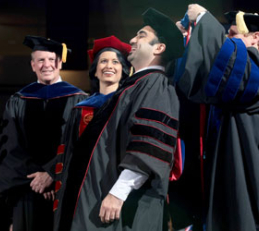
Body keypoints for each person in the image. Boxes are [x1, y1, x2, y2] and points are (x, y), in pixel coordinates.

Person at [53, 7, 184, 231]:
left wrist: (118, 192)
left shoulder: (155, 85)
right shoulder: (133, 86)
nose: (132, 39)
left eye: (142, 35)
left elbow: (148, 144)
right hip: (98, 197)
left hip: (122, 204)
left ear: (159, 48)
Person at [173, 4, 259, 231]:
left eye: (231, 34)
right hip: (220, 172)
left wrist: (204, 19)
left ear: (255, 37)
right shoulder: (239, 72)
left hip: (246, 174)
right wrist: (185, 40)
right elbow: (198, 84)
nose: (225, 38)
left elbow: (230, 69)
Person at [0, 35, 88, 231]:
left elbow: (81, 144)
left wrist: (52, 174)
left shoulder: (80, 101)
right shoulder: (18, 100)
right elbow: (9, 146)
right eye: (40, 60)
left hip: (65, 189)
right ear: (32, 65)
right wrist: (38, 180)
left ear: (60, 63)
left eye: (51, 60)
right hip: (28, 190)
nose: (46, 65)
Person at [52, 34, 131, 224]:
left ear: (124, 70)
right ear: (95, 71)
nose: (109, 66)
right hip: (81, 188)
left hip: (116, 186)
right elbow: (67, 154)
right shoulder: (81, 109)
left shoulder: (130, 106)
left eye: (115, 62)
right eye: (103, 61)